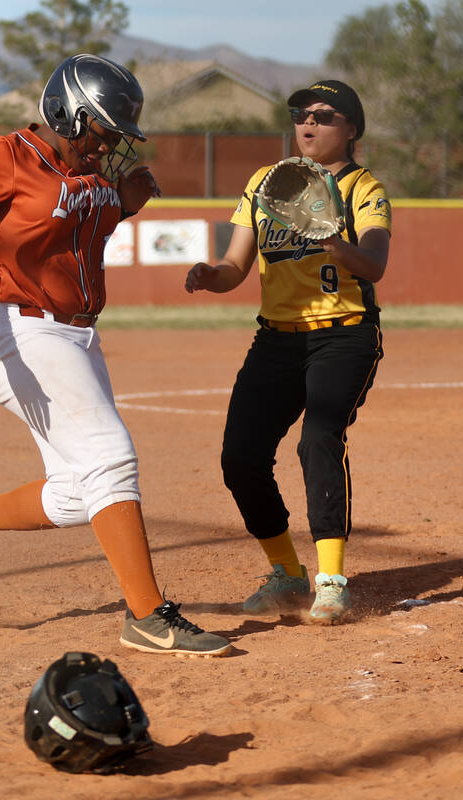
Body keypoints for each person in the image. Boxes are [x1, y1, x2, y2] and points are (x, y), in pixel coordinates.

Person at [0, 53, 231, 658]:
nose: (107, 149)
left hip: (77, 337)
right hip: (22, 333)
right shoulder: (4, 157)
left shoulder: (89, 178)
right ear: (67, 113)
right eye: (103, 134)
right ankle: (146, 615)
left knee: (77, 494)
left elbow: (75, 226)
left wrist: (125, 204)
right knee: (111, 456)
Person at [184, 80, 391, 624]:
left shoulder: (363, 187)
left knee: (318, 438)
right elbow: (235, 267)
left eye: (324, 115)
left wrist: (330, 238)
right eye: (301, 113)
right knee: (240, 458)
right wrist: (211, 275)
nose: (308, 122)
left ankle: (331, 581)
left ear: (351, 127)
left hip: (343, 333)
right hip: (277, 336)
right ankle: (286, 574)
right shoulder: (266, 183)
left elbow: (373, 265)